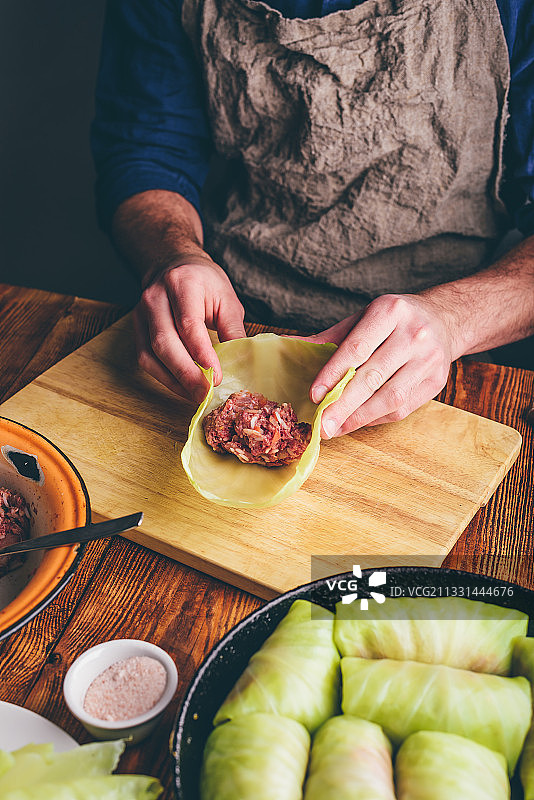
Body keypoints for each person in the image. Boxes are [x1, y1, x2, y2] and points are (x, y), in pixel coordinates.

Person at [92, 0, 534, 439]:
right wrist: (173, 253)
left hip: (446, 354)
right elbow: (146, 150)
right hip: (229, 327)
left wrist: (452, 319)